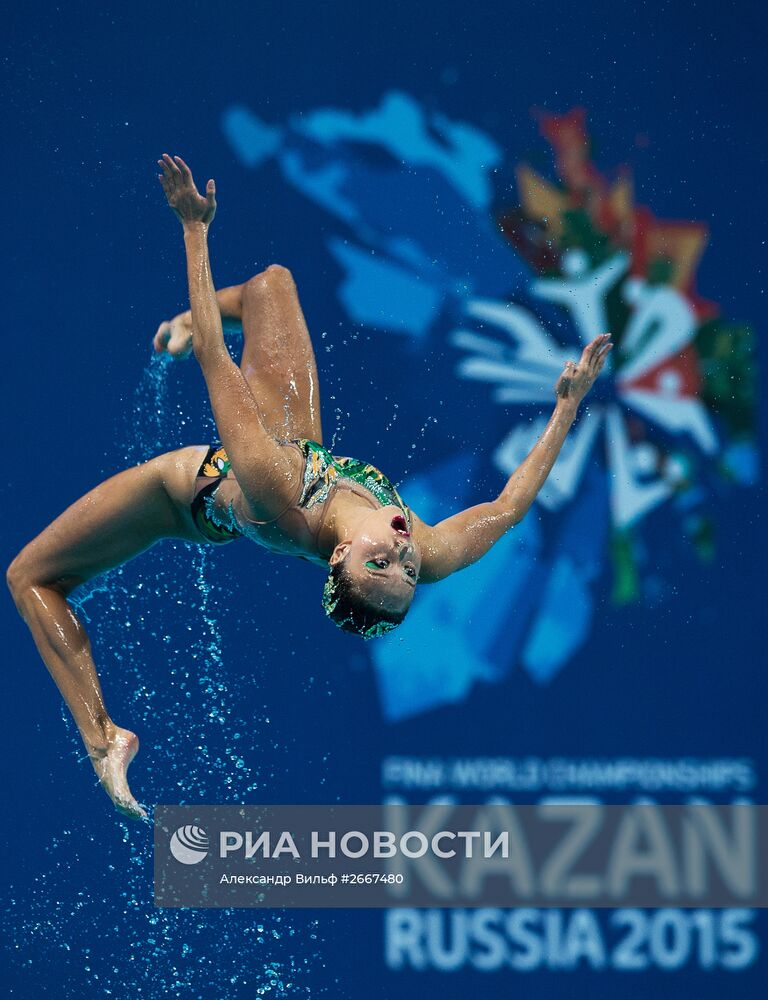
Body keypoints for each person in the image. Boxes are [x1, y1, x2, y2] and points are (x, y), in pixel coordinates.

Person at [7, 155, 612, 820]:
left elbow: (215, 359)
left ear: (337, 559)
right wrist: (568, 404)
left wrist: (193, 229)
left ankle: (102, 737)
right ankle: (185, 319)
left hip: (195, 489)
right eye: (405, 570)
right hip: (299, 440)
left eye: (378, 563)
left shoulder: (274, 492)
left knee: (31, 575)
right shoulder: (429, 549)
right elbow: (508, 507)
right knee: (274, 284)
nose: (403, 553)